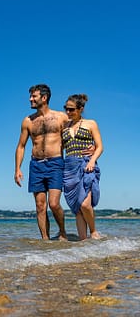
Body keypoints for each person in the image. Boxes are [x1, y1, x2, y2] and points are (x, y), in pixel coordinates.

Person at [14, 84, 68, 240]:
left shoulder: (61, 117)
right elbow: (21, 146)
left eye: (34, 96)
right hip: (36, 165)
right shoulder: (28, 121)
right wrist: (17, 169)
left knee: (54, 203)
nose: (30, 99)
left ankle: (63, 232)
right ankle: (45, 240)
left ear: (44, 98)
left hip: (55, 163)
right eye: (30, 96)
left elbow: (74, 135)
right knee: (40, 206)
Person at [62, 94, 103, 240]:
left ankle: (93, 231)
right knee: (78, 208)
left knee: (85, 204)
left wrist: (92, 161)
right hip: (69, 167)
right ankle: (83, 243)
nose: (68, 112)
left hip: (86, 165)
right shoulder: (64, 126)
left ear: (81, 109)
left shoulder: (91, 123)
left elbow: (100, 147)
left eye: (71, 109)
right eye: (66, 109)